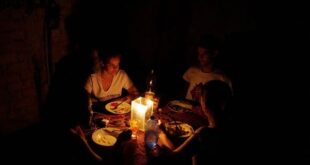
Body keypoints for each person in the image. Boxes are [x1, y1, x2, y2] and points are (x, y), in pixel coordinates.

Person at [183, 34, 232, 102]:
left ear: (214, 53)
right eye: (199, 54)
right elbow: (184, 91)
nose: (200, 57)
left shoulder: (222, 79)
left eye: (204, 54)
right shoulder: (191, 71)